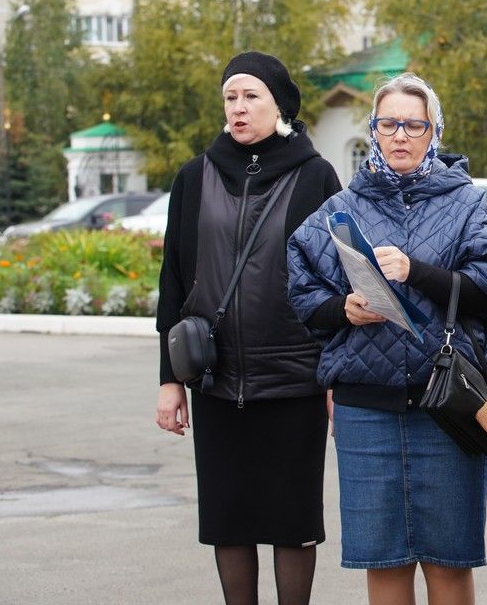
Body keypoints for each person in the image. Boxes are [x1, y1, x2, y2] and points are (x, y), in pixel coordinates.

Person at [287, 72, 487, 605]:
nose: (400, 136)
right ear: (374, 130)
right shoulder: (342, 208)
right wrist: (342, 309)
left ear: (435, 131)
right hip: (366, 413)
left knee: (449, 563)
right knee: (383, 563)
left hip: (448, 411)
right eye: (388, 124)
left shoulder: (467, 204)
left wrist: (416, 272)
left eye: (414, 125)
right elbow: (300, 289)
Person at [154, 51, 341, 605]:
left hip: (295, 381)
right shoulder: (194, 177)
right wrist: (169, 379)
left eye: (250, 96)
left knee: (291, 521)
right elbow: (173, 282)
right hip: (215, 380)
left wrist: (334, 376)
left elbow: (336, 281)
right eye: (230, 97)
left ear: (279, 105)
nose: (237, 107)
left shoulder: (316, 176)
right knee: (229, 520)